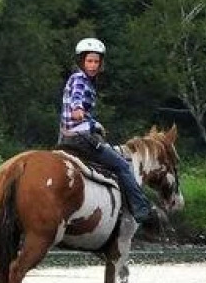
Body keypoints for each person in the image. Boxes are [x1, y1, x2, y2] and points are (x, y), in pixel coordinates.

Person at [58, 37, 152, 225]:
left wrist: (94, 122)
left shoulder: (84, 81)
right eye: (89, 61)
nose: (92, 65)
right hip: (82, 138)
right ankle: (141, 209)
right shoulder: (80, 79)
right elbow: (77, 105)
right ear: (82, 62)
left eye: (96, 61)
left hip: (65, 138)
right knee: (122, 166)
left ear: (100, 64)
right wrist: (85, 117)